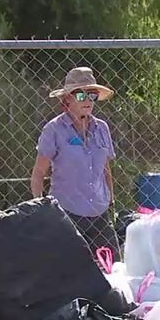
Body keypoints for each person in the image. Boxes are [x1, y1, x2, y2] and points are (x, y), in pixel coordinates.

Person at [31, 67, 121, 257]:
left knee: (114, 268)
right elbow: (39, 173)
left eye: (93, 95)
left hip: (100, 213)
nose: (88, 101)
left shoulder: (102, 128)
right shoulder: (54, 130)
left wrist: (111, 201)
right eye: (81, 95)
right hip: (67, 214)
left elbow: (105, 169)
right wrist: (41, 207)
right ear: (67, 99)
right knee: (70, 271)